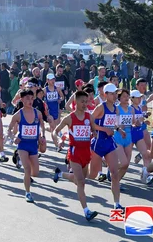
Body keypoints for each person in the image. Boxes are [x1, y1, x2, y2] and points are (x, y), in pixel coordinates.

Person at [52, 90, 99, 221]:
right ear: (76, 102)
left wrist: (94, 134)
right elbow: (55, 131)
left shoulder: (89, 117)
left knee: (80, 180)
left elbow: (94, 130)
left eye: (86, 101)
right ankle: (86, 211)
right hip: (74, 153)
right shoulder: (69, 118)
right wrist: (59, 140)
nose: (85, 104)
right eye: (82, 101)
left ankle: (60, 174)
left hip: (86, 153)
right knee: (81, 182)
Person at [89, 83, 125, 212]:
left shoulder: (115, 109)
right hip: (98, 143)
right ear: (105, 95)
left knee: (115, 173)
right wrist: (104, 129)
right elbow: (89, 122)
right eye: (112, 93)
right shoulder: (100, 107)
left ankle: (117, 203)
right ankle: (73, 177)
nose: (115, 95)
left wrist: (118, 129)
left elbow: (112, 123)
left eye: (116, 93)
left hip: (109, 143)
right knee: (92, 175)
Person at [7, 89, 46, 203]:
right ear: (22, 100)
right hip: (23, 145)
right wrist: (13, 138)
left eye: (31, 98)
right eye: (27, 98)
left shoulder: (37, 113)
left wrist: (42, 136)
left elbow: (42, 126)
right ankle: (28, 193)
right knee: (27, 170)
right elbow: (9, 129)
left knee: (35, 173)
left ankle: (20, 159)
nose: (30, 100)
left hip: (33, 145)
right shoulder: (18, 115)